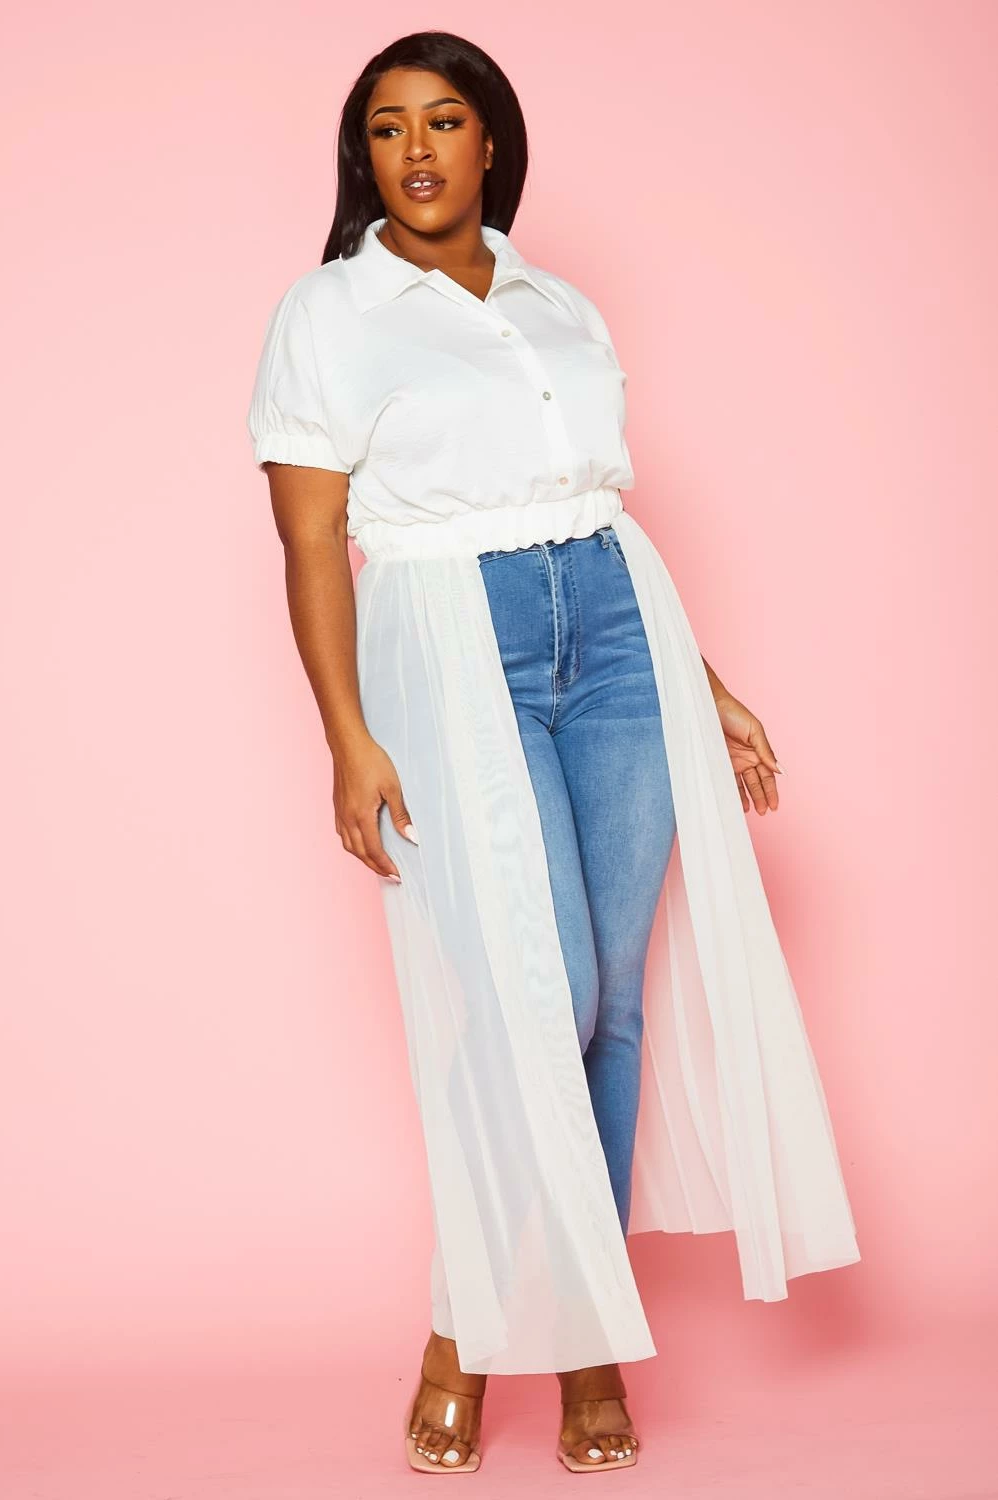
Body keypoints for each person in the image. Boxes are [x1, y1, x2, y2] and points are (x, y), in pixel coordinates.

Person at [246, 29, 860, 1476]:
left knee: (612, 1009)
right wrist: (346, 735)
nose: (415, 149)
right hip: (454, 639)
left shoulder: (557, 302)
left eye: (443, 120)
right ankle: (467, 1330)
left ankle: (587, 1344)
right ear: (363, 157)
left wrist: (702, 682)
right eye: (386, 126)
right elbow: (312, 538)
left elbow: (593, 505)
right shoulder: (328, 311)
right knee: (540, 992)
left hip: (620, 633)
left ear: (491, 142)